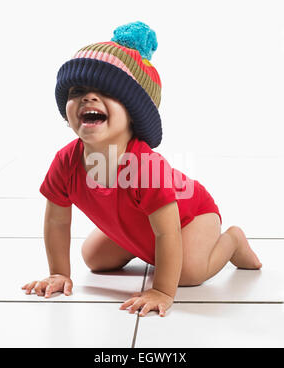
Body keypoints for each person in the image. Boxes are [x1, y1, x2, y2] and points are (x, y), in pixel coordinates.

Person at [22, 21, 262, 318]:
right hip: (141, 223)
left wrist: (161, 290)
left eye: (105, 92)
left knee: (188, 272)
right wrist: (58, 273)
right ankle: (141, 245)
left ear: (134, 114)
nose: (88, 97)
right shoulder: (65, 162)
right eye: (78, 90)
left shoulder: (146, 167)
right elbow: (57, 222)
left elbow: (168, 232)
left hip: (190, 216)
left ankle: (233, 241)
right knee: (93, 258)